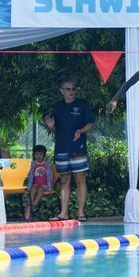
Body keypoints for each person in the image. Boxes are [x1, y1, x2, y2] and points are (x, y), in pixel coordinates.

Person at [45, 80, 95, 221]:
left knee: (80, 179)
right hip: (61, 148)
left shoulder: (82, 104)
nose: (71, 91)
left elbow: (91, 122)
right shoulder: (57, 107)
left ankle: (80, 213)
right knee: (65, 180)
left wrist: (81, 130)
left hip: (78, 147)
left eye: (73, 89)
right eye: (68, 89)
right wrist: (51, 126)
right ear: (61, 91)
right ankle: (63, 213)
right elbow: (55, 129)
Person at [24, 144, 55, 221]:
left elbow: (49, 175)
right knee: (34, 189)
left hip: (44, 185)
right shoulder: (33, 164)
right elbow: (31, 175)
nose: (38, 156)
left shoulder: (46, 164)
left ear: (44, 155)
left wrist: (50, 186)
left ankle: (34, 203)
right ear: (34, 155)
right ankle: (30, 204)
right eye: (36, 154)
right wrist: (29, 186)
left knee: (41, 189)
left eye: (41, 154)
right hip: (35, 183)